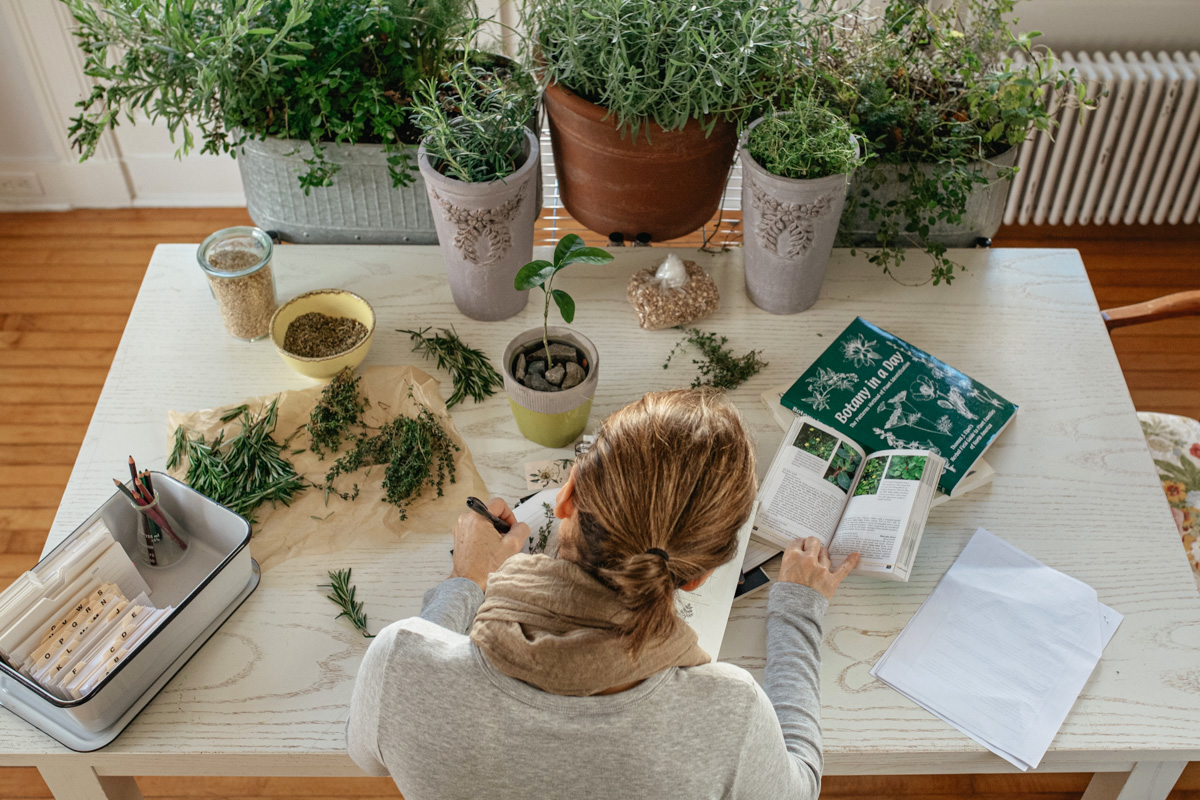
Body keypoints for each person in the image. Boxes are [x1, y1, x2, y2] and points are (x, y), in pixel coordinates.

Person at [347, 388, 860, 799]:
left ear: (566, 496)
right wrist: (798, 609)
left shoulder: (400, 664)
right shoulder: (732, 716)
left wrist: (466, 580)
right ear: (697, 577)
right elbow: (799, 788)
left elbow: (365, 755)